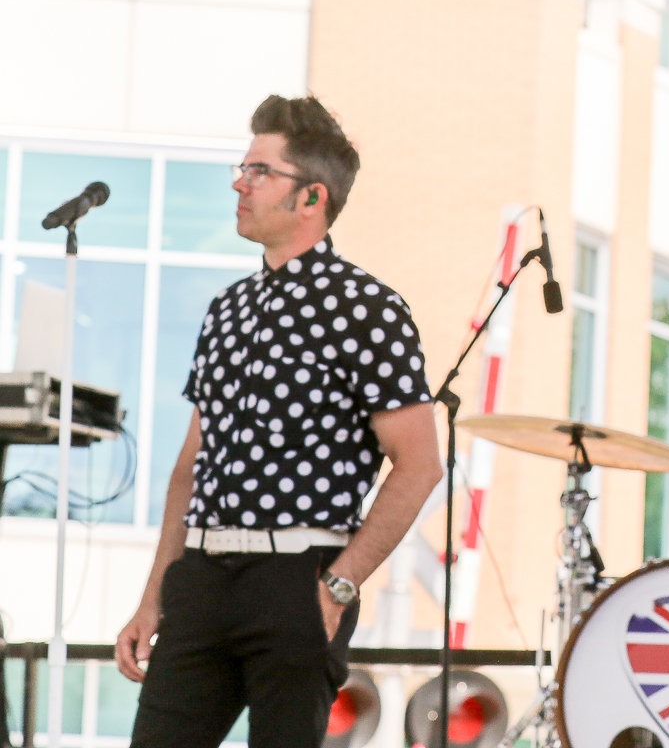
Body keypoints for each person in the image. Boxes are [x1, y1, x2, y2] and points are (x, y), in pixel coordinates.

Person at [115, 95, 443, 748]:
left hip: (298, 580)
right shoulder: (227, 309)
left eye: (260, 171)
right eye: (243, 168)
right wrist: (153, 596)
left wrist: (338, 587)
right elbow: (190, 468)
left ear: (312, 197)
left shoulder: (368, 308)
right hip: (202, 578)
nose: (240, 184)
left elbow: (420, 464)